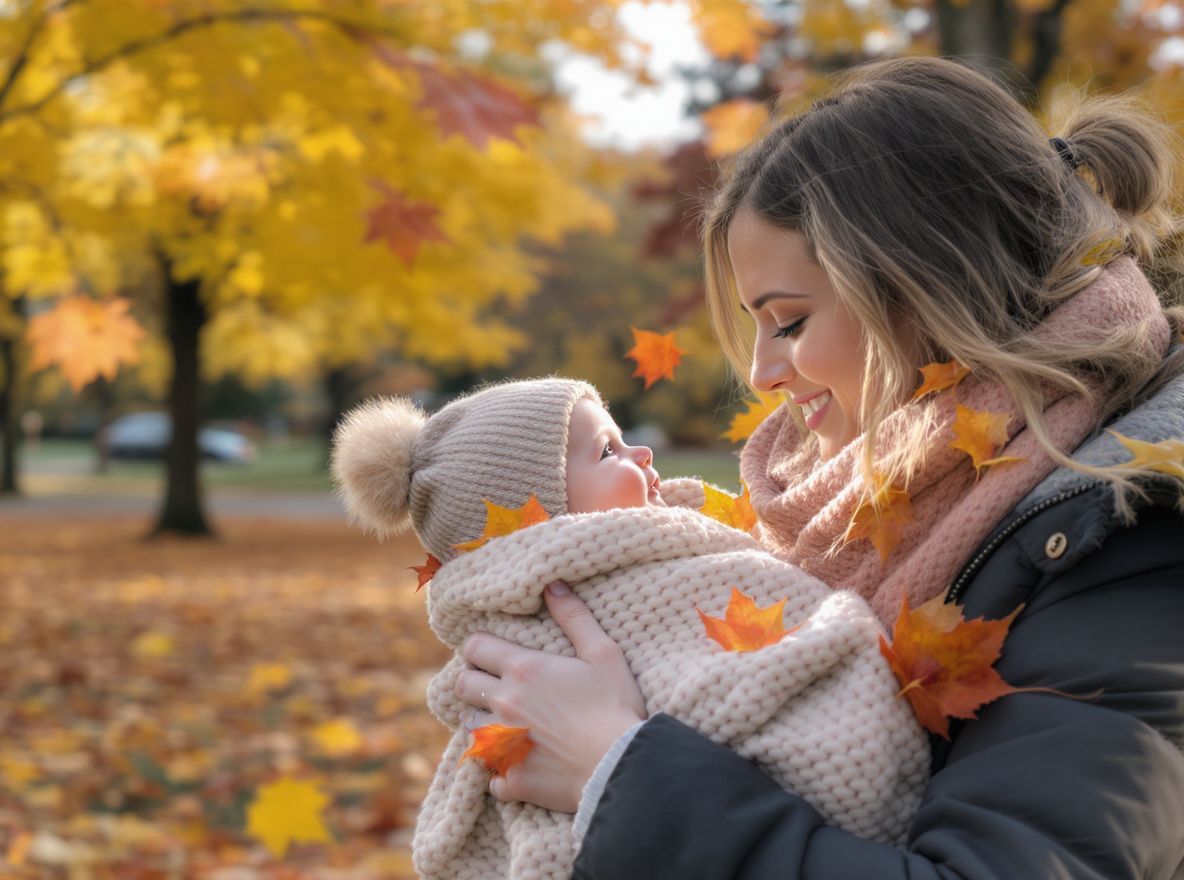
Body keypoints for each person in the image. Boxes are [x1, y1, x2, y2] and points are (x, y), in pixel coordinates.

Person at [451, 57, 1184, 879]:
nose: (763, 372)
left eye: (790, 322)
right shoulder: (831, 513)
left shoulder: (1127, 537)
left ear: (929, 286)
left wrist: (617, 771)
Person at [331, 377, 929, 880]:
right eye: (607, 452)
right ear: (542, 522)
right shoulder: (584, 595)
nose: (641, 455)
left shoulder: (672, 547)